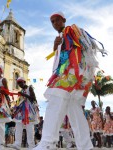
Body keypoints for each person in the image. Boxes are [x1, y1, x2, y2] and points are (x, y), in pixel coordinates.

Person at [33, 11, 106, 150]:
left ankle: (48, 143)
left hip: (72, 74)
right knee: (74, 110)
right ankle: (86, 146)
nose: (55, 23)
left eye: (57, 20)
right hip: (72, 75)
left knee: (55, 98)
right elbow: (60, 58)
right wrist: (56, 47)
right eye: (52, 21)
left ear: (64, 20)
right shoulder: (61, 36)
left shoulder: (70, 30)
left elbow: (79, 51)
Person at [7, 77, 39, 150]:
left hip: (29, 111)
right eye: (18, 83)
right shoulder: (22, 90)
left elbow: (33, 98)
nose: (20, 84)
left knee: (29, 127)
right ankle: (17, 144)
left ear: (24, 82)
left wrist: (23, 95)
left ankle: (31, 146)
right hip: (21, 111)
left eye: (21, 82)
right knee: (18, 126)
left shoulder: (29, 88)